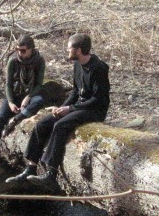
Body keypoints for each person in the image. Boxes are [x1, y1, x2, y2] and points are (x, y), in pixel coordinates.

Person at [7, 33, 110, 192]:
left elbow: (99, 99)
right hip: (79, 106)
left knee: (61, 126)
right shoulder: (77, 65)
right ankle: (31, 166)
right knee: (42, 124)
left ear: (79, 50)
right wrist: (61, 107)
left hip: (94, 110)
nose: (67, 51)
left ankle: (51, 173)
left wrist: (70, 109)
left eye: (70, 49)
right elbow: (75, 93)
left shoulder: (99, 68)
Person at [0, 35, 46, 165]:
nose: (19, 53)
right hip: (15, 95)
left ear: (31, 49)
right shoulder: (13, 61)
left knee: (39, 101)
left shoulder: (39, 61)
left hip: (30, 95)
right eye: (17, 49)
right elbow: (8, 84)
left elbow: (39, 84)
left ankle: (17, 119)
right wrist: (11, 102)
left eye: (23, 50)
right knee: (0, 117)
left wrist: (28, 97)